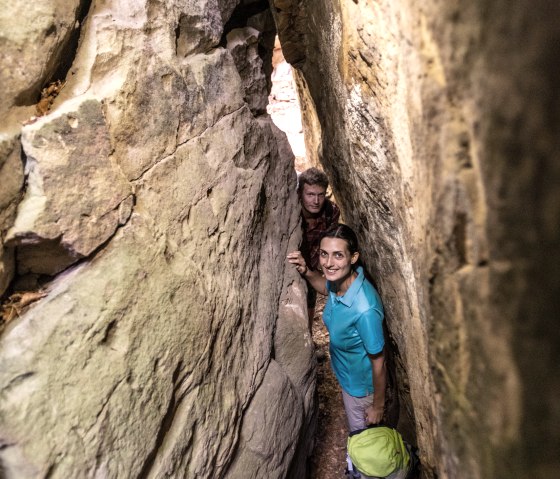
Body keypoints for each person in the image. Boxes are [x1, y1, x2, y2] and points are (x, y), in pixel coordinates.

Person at [287, 224, 387, 478]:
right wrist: (307, 272)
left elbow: (379, 361)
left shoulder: (364, 309)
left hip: (360, 388)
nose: (328, 263)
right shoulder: (340, 284)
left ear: (353, 258)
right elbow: (326, 288)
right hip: (346, 375)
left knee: (366, 444)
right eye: (323, 254)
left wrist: (378, 406)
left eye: (338, 255)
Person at [297, 167, 340, 328]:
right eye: (310, 194)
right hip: (289, 262)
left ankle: (307, 340)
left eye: (320, 195)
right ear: (300, 193)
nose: (316, 201)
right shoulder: (290, 209)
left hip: (311, 265)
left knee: (309, 303)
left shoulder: (331, 211)